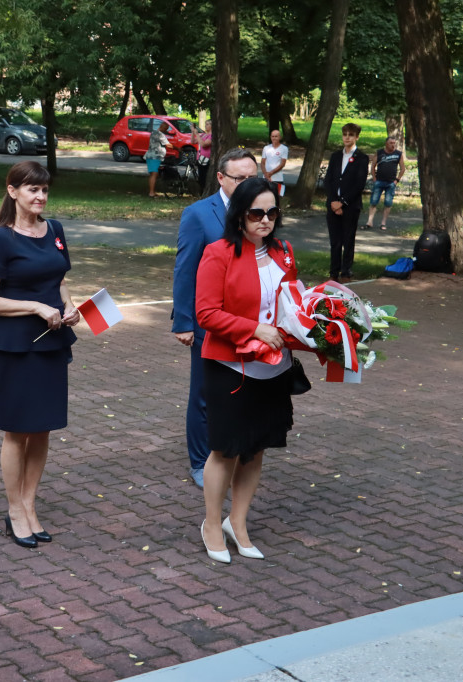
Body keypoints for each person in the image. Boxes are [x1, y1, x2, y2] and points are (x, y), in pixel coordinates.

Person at [0, 161, 80, 548]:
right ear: (13, 191)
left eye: (44, 190)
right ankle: (15, 509)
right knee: (17, 430)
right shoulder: (1, 239)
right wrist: (36, 307)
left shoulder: (55, 230)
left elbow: (61, 281)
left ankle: (30, 504)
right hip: (16, 345)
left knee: (42, 427)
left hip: (53, 342)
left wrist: (70, 307)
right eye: (32, 189)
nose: (40, 196)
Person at [195, 177, 298, 564]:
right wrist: (254, 328)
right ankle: (210, 524)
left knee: (255, 449)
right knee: (225, 449)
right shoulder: (218, 253)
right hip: (230, 366)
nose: (266, 220)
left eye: (272, 212)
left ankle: (236, 522)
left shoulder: (283, 251)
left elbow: (291, 301)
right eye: (257, 213)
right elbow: (206, 313)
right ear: (239, 214)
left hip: (274, 366)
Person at [171, 148, 259, 488]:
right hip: (209, 321)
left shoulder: (260, 214)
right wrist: (183, 321)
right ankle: (198, 462)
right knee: (206, 393)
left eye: (253, 177)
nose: (247, 184)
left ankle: (233, 451)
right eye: (240, 179)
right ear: (221, 178)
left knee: (243, 389)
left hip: (250, 322)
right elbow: (185, 269)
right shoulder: (198, 214)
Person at [325, 123, 369, 283]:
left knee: (348, 240)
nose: (347, 137)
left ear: (356, 137)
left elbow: (359, 184)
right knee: (334, 241)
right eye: (345, 134)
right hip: (332, 205)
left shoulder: (362, 158)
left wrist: (342, 203)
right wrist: (333, 202)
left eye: (351, 135)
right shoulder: (336, 156)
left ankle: (346, 272)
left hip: (350, 206)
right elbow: (328, 180)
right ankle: (333, 272)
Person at [364, 137, 405, 231]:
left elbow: (402, 168)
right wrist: (374, 179)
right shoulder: (379, 153)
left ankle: (383, 223)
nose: (393, 145)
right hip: (379, 181)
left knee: (388, 203)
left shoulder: (398, 154)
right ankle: (369, 221)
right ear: (386, 143)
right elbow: (373, 166)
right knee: (374, 201)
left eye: (394, 143)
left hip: (391, 183)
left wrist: (396, 180)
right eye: (391, 143)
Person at [145, 121, 173, 197]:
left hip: (150, 155)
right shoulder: (160, 134)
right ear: (162, 127)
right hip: (155, 156)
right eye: (166, 128)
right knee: (154, 174)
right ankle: (151, 193)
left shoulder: (153, 132)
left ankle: (153, 191)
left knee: (154, 174)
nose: (166, 130)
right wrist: (177, 148)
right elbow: (168, 145)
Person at [261, 129, 289, 194]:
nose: (274, 138)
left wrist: (271, 173)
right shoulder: (266, 148)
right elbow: (262, 163)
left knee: (278, 197)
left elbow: (282, 164)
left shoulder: (284, 149)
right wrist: (266, 175)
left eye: (276, 136)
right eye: (272, 136)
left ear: (280, 137)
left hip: (278, 178)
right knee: (265, 196)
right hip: (266, 178)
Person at [192, 120, 213, 188]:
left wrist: (197, 134)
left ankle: (203, 190)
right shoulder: (203, 135)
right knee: (201, 177)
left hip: (206, 159)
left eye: (207, 124)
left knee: (204, 177)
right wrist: (193, 132)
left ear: (211, 126)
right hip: (200, 158)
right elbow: (193, 141)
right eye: (205, 124)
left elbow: (203, 144)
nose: (205, 126)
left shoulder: (211, 136)